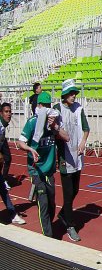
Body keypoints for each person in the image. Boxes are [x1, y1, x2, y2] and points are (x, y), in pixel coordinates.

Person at [17, 92, 70, 238]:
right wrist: (30, 149)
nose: (46, 109)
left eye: (48, 106)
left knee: (52, 202)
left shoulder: (53, 123)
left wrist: (55, 127)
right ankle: (48, 236)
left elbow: (67, 137)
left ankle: (49, 226)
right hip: (36, 170)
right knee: (43, 203)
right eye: (44, 106)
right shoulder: (32, 122)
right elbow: (20, 142)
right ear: (38, 106)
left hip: (50, 170)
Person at [54, 79, 90, 242]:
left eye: (75, 93)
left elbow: (86, 128)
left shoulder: (79, 109)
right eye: (71, 93)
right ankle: (69, 225)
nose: (74, 96)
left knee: (75, 190)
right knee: (68, 194)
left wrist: (83, 141)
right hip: (64, 157)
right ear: (64, 94)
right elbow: (52, 128)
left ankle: (63, 213)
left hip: (77, 156)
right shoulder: (57, 109)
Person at [0, 102, 25, 225]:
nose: (9, 114)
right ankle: (13, 214)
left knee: (3, 189)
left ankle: (13, 214)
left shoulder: (3, 126)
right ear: (1, 113)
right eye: (6, 111)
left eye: (10, 111)